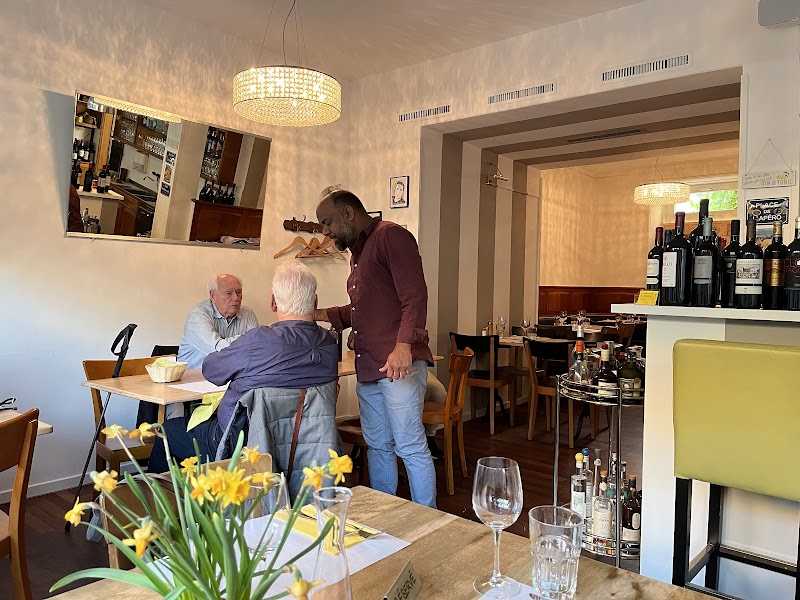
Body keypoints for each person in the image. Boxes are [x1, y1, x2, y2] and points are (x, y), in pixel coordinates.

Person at [149, 261, 339, 476]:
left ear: (273, 303)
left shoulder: (259, 341)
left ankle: (162, 497)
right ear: (315, 301)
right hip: (306, 444)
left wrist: (245, 345)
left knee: (165, 433)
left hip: (240, 443)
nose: (236, 298)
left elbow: (212, 369)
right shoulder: (329, 344)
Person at [315, 187, 436, 508]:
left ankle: (431, 519)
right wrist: (314, 314)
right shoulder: (357, 253)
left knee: (409, 446)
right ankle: (386, 515)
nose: (325, 232)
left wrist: (403, 346)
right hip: (369, 366)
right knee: (379, 446)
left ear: (348, 213)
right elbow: (361, 309)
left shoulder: (390, 236)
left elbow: (415, 296)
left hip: (398, 365)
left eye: (327, 222)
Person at [170, 274, 259, 419]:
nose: (236, 298)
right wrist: (251, 339)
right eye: (229, 293)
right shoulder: (198, 315)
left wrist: (254, 341)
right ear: (213, 295)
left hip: (228, 386)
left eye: (239, 292)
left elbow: (256, 352)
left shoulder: (248, 314)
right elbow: (219, 350)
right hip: (191, 390)